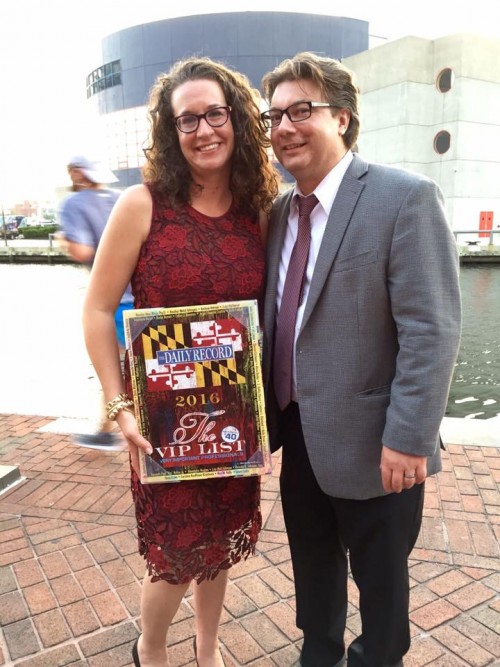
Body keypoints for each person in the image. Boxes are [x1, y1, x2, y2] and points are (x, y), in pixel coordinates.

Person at [260, 52, 462, 667]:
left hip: (381, 443)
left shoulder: (405, 198)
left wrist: (409, 438)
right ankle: (317, 653)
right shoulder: (276, 216)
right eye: (275, 116)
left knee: (381, 585)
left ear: (343, 117)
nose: (285, 127)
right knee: (313, 566)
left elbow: (432, 329)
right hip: (298, 432)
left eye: (303, 110)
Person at [82, 57, 279, 667]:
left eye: (214, 114)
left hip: (229, 419)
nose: (203, 129)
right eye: (186, 119)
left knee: (218, 541)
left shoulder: (260, 213)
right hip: (163, 424)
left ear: (237, 119)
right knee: (174, 554)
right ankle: (153, 648)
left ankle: (209, 646)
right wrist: (118, 407)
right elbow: (95, 312)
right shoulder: (141, 205)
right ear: (170, 131)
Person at [58, 155, 134, 450]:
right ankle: (105, 427)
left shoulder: (73, 204)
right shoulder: (119, 196)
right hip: (140, 293)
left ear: (78, 173)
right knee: (126, 364)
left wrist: (64, 239)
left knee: (117, 367)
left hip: (113, 297)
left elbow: (81, 250)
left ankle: (110, 430)